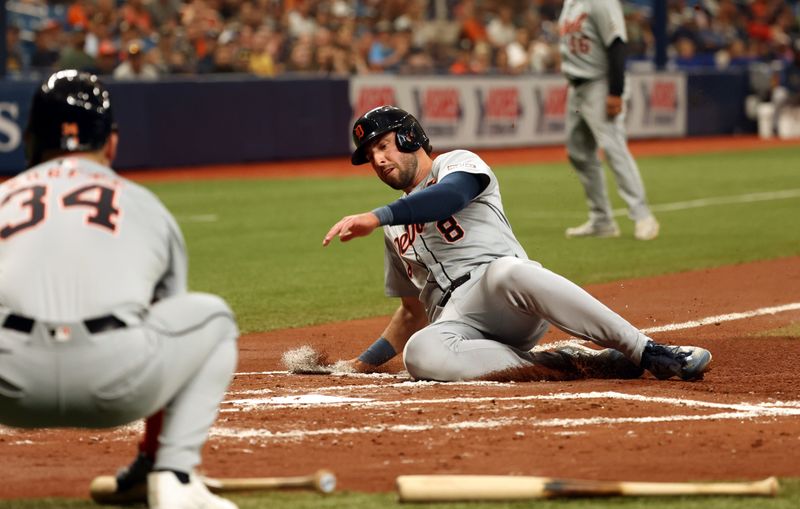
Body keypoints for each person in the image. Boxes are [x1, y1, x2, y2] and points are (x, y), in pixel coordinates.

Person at [322, 105, 711, 383]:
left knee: (509, 271)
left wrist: (377, 216)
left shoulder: (456, 164)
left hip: (504, 296)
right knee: (420, 355)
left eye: (384, 145)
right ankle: (557, 360)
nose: (378, 159)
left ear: (410, 137)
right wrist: (363, 361)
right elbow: (411, 312)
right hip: (457, 321)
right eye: (371, 154)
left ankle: (648, 350)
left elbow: (450, 197)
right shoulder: (394, 229)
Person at [0, 70, 238, 509]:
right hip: (116, 383)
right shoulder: (143, 203)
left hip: (11, 387)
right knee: (214, 318)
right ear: (110, 142)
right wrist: (150, 459)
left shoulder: (5, 197)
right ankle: (173, 474)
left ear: (29, 139)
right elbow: (168, 314)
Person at [557, 0, 660, 240]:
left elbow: (616, 45)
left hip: (600, 84)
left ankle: (642, 215)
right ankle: (602, 220)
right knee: (579, 152)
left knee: (613, 148)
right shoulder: (570, 3)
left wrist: (615, 91)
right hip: (577, 87)